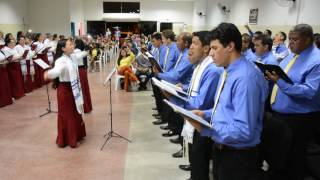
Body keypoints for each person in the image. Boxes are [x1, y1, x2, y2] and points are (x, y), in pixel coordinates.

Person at [186, 23, 268, 180]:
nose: (210, 54)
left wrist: (207, 129)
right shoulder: (228, 71)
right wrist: (206, 114)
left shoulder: (245, 78)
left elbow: (244, 130)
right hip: (223, 148)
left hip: (237, 155)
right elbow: (226, 109)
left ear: (230, 46)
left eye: (215, 48)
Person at [264, 24, 320, 180]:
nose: (290, 43)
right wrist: (270, 75)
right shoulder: (293, 54)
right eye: (290, 39)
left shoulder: (317, 60)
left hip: (299, 119)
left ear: (308, 40)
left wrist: (279, 82)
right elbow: (283, 74)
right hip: (280, 115)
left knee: (294, 159)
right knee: (279, 155)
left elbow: (309, 91)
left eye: (295, 39)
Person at [44, 39, 87, 148]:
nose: (73, 46)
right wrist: (48, 74)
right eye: (70, 44)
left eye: (72, 44)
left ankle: (77, 135)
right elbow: (56, 71)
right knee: (68, 115)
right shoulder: (62, 60)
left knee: (75, 112)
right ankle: (69, 139)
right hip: (65, 91)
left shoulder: (71, 57)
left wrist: (88, 50)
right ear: (63, 49)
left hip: (73, 88)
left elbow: (80, 54)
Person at [75, 38, 93, 113]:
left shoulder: (76, 51)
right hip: (83, 70)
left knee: (81, 89)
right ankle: (87, 106)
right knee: (84, 88)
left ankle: (84, 107)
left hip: (79, 70)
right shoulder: (82, 51)